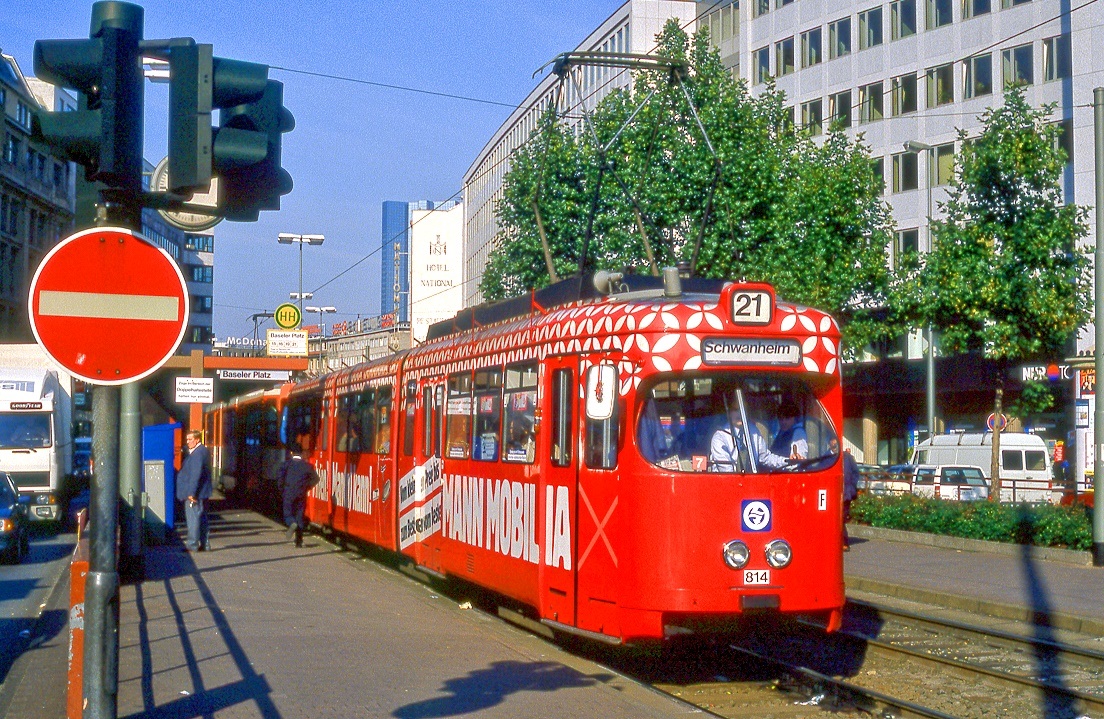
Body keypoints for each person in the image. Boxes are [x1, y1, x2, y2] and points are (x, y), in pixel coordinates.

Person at [709, 403, 790, 471]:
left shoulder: (754, 431)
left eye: (742, 409)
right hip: (727, 484)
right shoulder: (720, 436)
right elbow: (726, 470)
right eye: (736, 410)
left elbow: (765, 457)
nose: (739, 413)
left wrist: (789, 462)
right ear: (729, 413)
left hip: (751, 481)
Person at [176, 429, 212, 552]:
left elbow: (195, 474)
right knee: (202, 518)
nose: (187, 442)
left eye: (190, 439)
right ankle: (204, 544)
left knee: (193, 519)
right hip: (202, 491)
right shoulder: (203, 451)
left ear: (197, 440)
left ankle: (192, 544)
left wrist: (191, 492)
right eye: (187, 439)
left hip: (196, 493)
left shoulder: (197, 454)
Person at [279, 438, 319, 547]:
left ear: (291, 453)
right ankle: (299, 542)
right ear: (301, 452)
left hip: (288, 492)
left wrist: (282, 489)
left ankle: (292, 523)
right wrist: (307, 487)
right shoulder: (307, 466)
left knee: (288, 514)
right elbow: (316, 479)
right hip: (301, 493)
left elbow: (280, 479)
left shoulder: (286, 465)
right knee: (299, 515)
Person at [831, 437, 859, 551]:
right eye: (832, 446)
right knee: (836, 519)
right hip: (833, 494)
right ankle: (836, 541)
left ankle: (844, 542)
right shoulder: (829, 457)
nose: (834, 448)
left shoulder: (847, 457)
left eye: (836, 445)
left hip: (846, 493)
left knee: (842, 518)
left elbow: (856, 473)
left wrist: (851, 487)